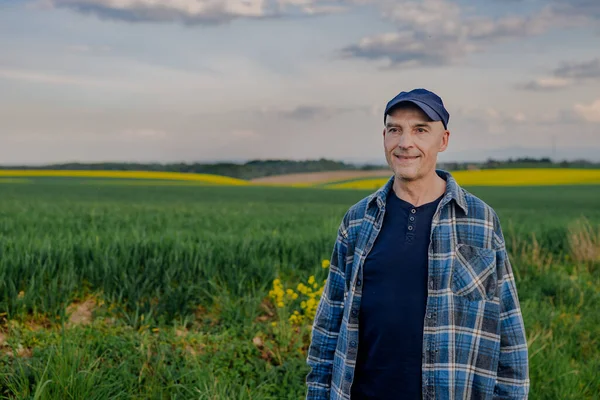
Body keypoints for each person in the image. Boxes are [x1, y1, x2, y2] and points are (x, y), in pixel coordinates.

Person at [305, 88, 530, 399]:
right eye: (395, 129)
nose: (405, 142)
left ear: (444, 140)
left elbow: (507, 329)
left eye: (420, 130)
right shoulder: (357, 220)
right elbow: (329, 323)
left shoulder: (480, 220)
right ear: (384, 137)